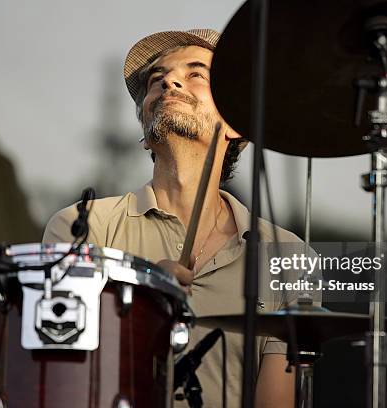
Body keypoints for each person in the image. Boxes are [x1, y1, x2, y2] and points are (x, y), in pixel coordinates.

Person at [43, 29, 307, 407]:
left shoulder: (289, 254)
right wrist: (139, 300)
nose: (168, 80)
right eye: (156, 79)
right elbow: (63, 377)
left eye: (197, 73)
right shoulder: (83, 228)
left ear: (236, 124)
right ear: (145, 134)